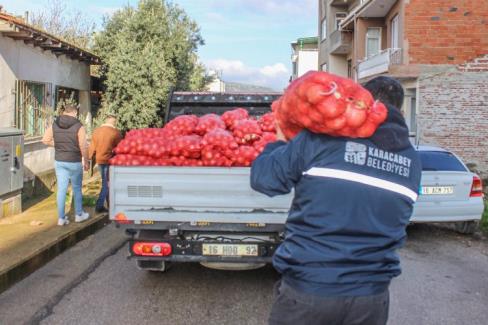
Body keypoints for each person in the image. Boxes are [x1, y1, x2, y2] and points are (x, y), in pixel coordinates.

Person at [250, 76, 421, 325]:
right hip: (371, 299)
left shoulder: (322, 140)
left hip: (310, 291)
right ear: (402, 111)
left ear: (360, 100)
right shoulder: (412, 162)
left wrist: (278, 141)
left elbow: (264, 179)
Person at [42, 104, 90, 226]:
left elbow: (45, 140)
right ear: (74, 113)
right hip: (74, 161)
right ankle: (79, 215)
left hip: (60, 161)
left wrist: (59, 145)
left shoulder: (55, 123)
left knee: (61, 190)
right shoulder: (79, 126)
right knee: (77, 188)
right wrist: (86, 161)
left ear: (64, 112)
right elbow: (83, 146)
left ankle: (61, 218)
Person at [88, 114, 122, 213]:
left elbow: (92, 147)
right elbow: (120, 148)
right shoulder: (115, 133)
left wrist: (87, 160)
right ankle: (99, 206)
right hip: (109, 161)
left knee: (105, 182)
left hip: (99, 160)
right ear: (113, 122)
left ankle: (109, 205)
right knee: (106, 184)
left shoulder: (96, 131)